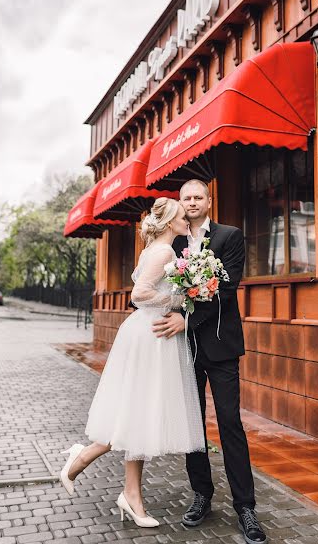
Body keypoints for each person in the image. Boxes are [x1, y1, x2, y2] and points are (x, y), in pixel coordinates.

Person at [60, 197, 205, 528]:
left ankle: (130, 494)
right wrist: (180, 298)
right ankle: (80, 460)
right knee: (135, 413)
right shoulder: (165, 252)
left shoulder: (154, 249)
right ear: (170, 223)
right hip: (151, 335)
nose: (187, 220)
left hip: (149, 334)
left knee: (138, 415)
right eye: (183, 217)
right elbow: (139, 294)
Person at [152, 180, 267, 544]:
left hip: (221, 347)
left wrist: (187, 317)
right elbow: (158, 284)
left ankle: (245, 507)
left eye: (197, 197)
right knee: (192, 426)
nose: (191, 202)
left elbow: (226, 288)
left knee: (230, 423)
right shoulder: (173, 241)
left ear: (209, 201)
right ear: (180, 203)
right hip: (182, 349)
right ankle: (201, 494)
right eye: (186, 198)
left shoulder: (230, 236)